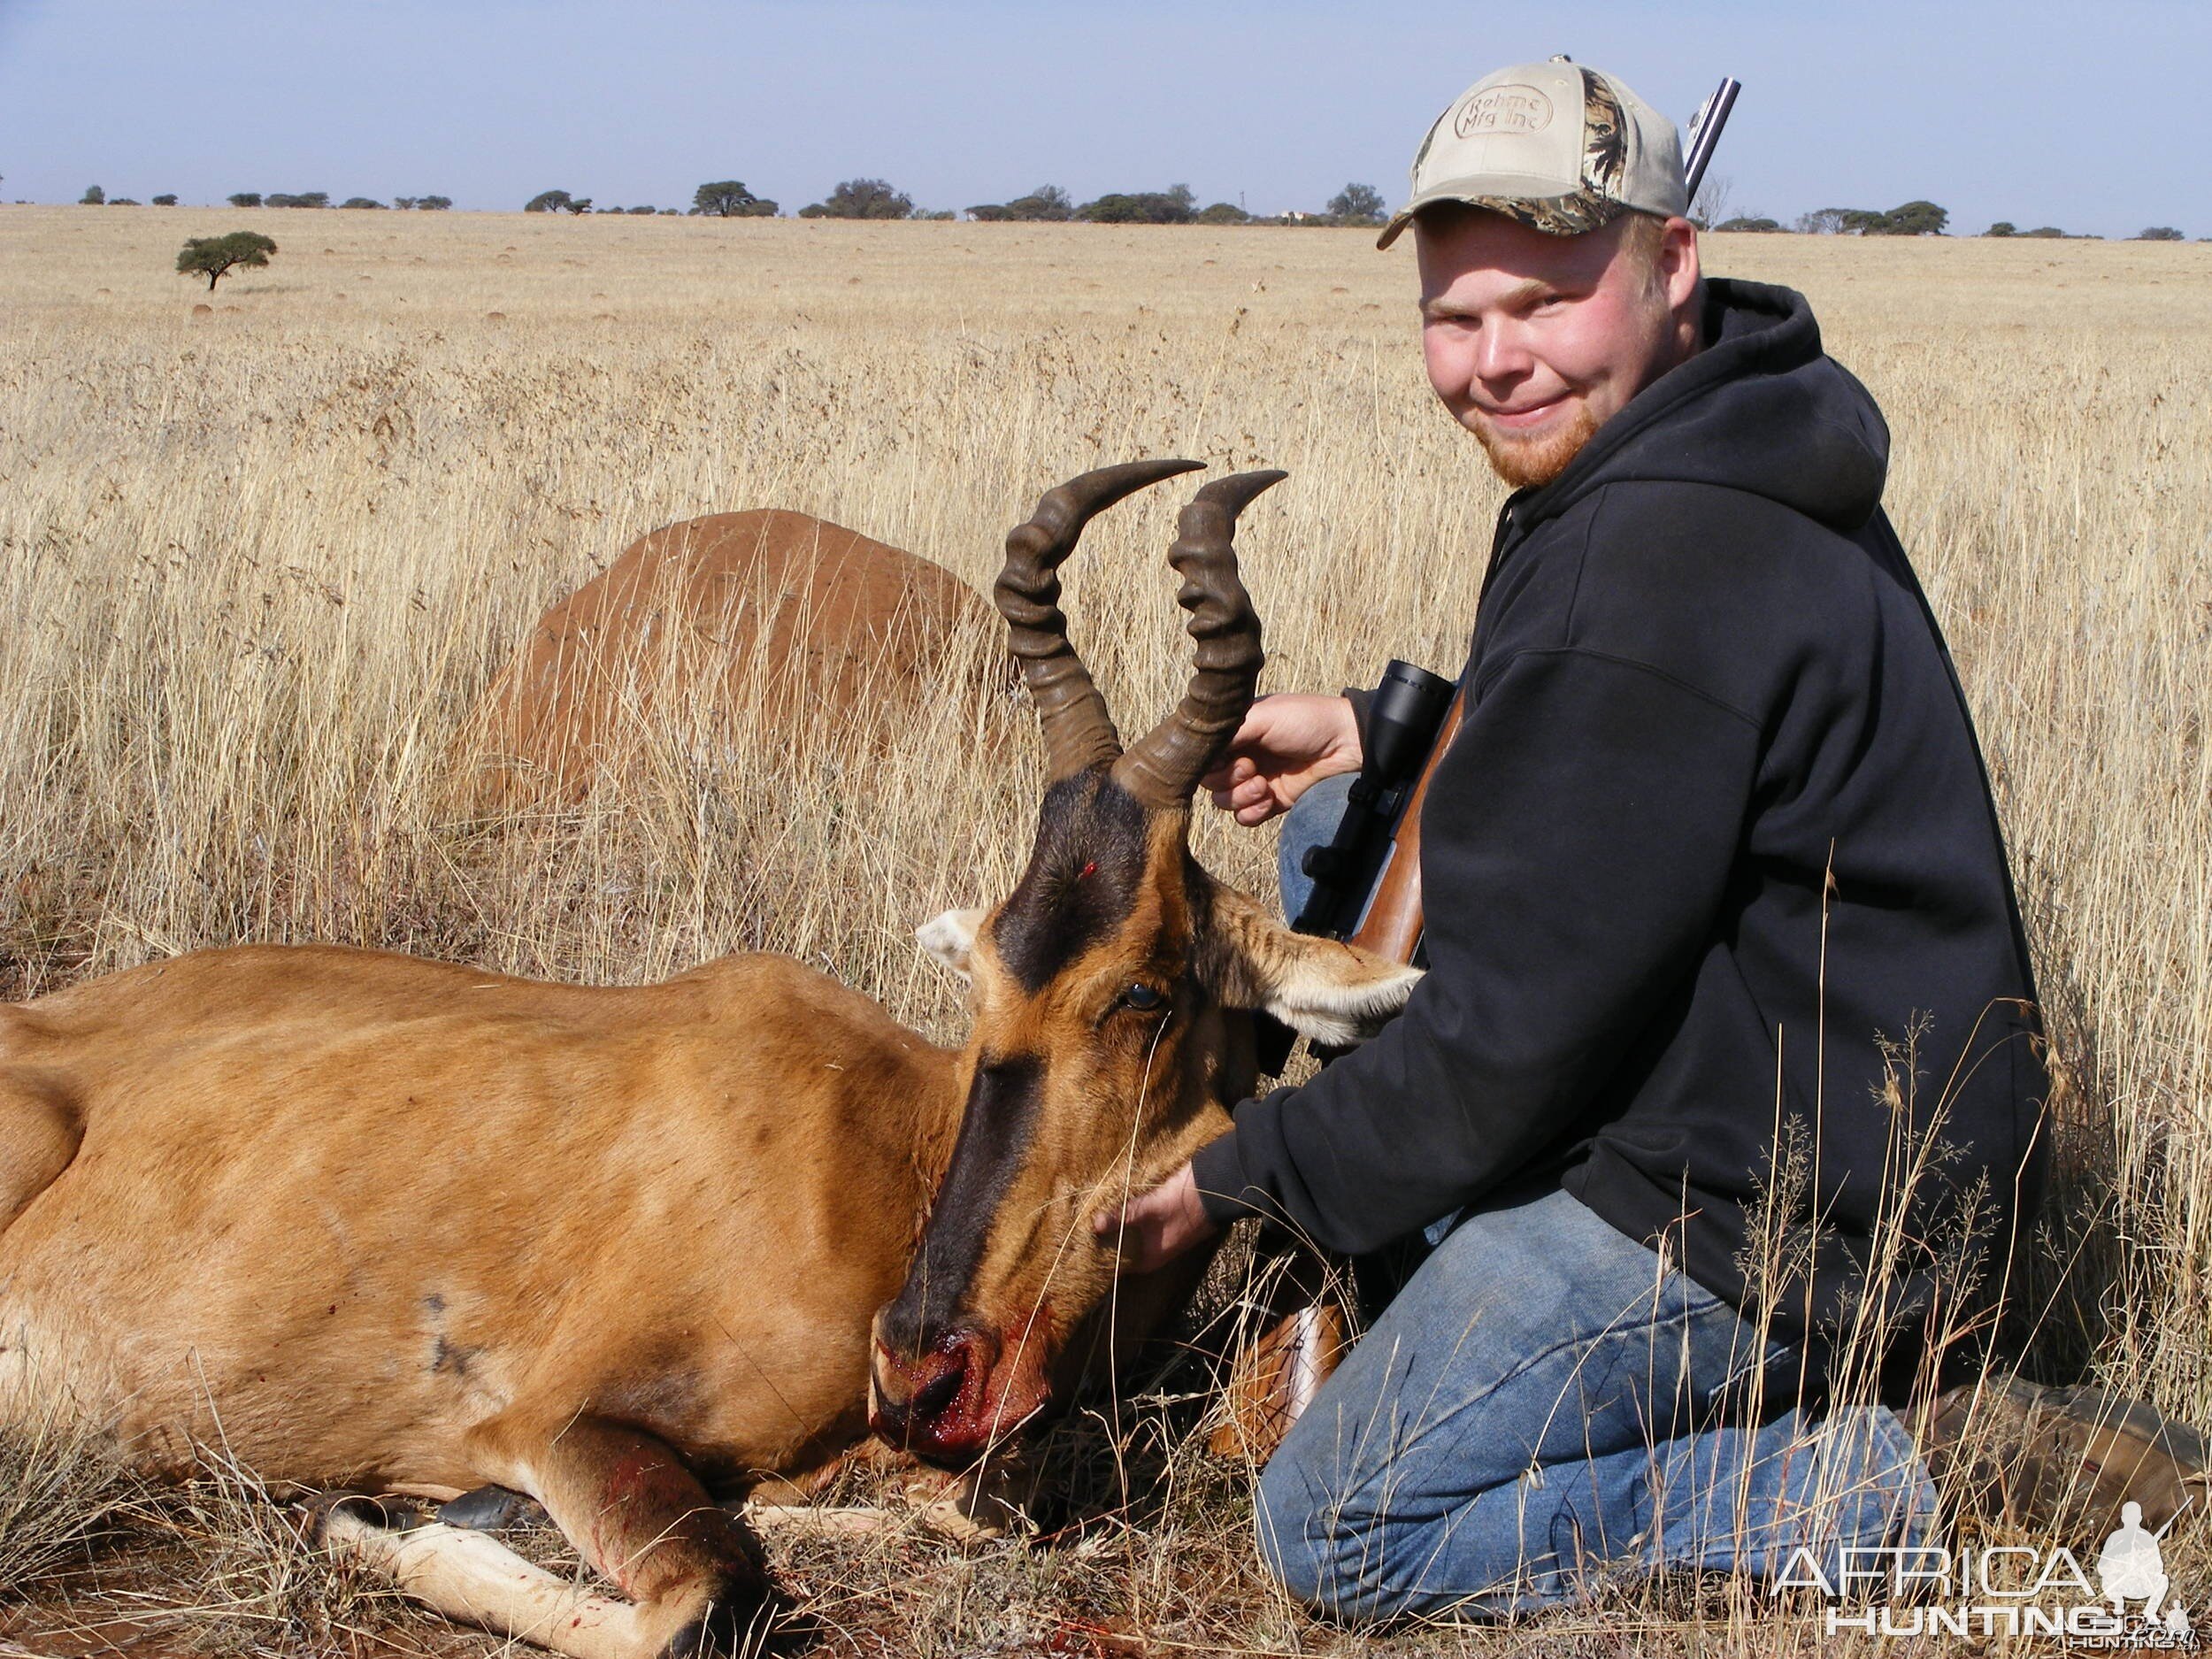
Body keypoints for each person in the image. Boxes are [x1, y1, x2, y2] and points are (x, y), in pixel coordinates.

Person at [1093, 57, 2207, 1620]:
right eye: (1454, 316)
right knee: (1353, 823)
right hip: (1797, 1094)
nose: (1493, 362)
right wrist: (1376, 729)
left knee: (1335, 1527)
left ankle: (1915, 1477)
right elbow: (1635, 742)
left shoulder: (1655, 551)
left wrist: (1238, 1175)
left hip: (1781, 1213)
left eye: (1544, 303)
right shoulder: (1715, 442)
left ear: (1672, 264)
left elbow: (1505, 1045)